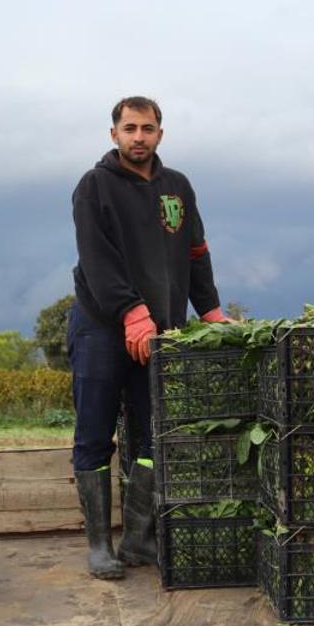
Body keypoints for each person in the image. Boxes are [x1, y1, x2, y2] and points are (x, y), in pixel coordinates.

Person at [69, 96, 230, 579]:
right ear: (113, 133)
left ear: (161, 133)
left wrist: (212, 311)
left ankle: (138, 540)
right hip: (102, 326)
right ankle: (100, 545)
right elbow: (97, 260)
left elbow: (195, 252)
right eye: (130, 128)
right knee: (95, 434)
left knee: (155, 432)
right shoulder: (93, 187)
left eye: (148, 128)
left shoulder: (177, 187)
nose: (139, 137)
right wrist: (131, 311)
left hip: (161, 333)